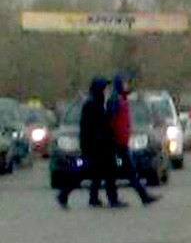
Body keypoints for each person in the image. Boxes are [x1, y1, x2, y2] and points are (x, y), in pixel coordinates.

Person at [57, 77, 119, 209]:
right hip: (94, 146)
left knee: (99, 172)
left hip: (98, 146)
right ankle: (65, 193)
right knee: (83, 171)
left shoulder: (98, 103)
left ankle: (94, 197)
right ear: (98, 89)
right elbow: (97, 125)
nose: (106, 91)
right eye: (104, 88)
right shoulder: (92, 105)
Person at [107, 74, 159, 206]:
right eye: (124, 84)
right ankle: (119, 198)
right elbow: (111, 120)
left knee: (125, 171)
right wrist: (114, 137)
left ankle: (142, 196)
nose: (127, 86)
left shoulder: (121, 99)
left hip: (122, 144)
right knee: (117, 170)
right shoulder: (115, 100)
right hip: (117, 145)